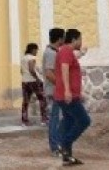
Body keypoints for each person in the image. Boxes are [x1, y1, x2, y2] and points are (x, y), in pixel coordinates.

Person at [54, 28, 91, 166]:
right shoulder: (65, 51)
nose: (81, 42)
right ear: (74, 40)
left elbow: (70, 68)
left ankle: (67, 156)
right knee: (84, 120)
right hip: (67, 96)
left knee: (69, 120)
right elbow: (64, 69)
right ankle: (64, 144)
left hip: (68, 95)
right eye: (80, 39)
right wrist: (68, 91)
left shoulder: (66, 52)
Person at [43, 27, 65, 156]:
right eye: (63, 37)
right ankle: (55, 147)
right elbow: (49, 73)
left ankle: (57, 144)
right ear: (59, 39)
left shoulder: (53, 51)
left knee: (57, 118)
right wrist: (61, 85)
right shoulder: (51, 53)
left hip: (55, 90)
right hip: (54, 90)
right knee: (54, 119)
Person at [20, 42, 48, 126]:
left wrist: (26, 76)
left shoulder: (23, 58)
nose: (37, 52)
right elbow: (32, 69)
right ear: (33, 50)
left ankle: (24, 120)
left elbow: (21, 71)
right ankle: (44, 119)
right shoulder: (32, 58)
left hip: (25, 81)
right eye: (36, 50)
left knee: (26, 101)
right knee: (42, 99)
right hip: (33, 81)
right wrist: (37, 78)